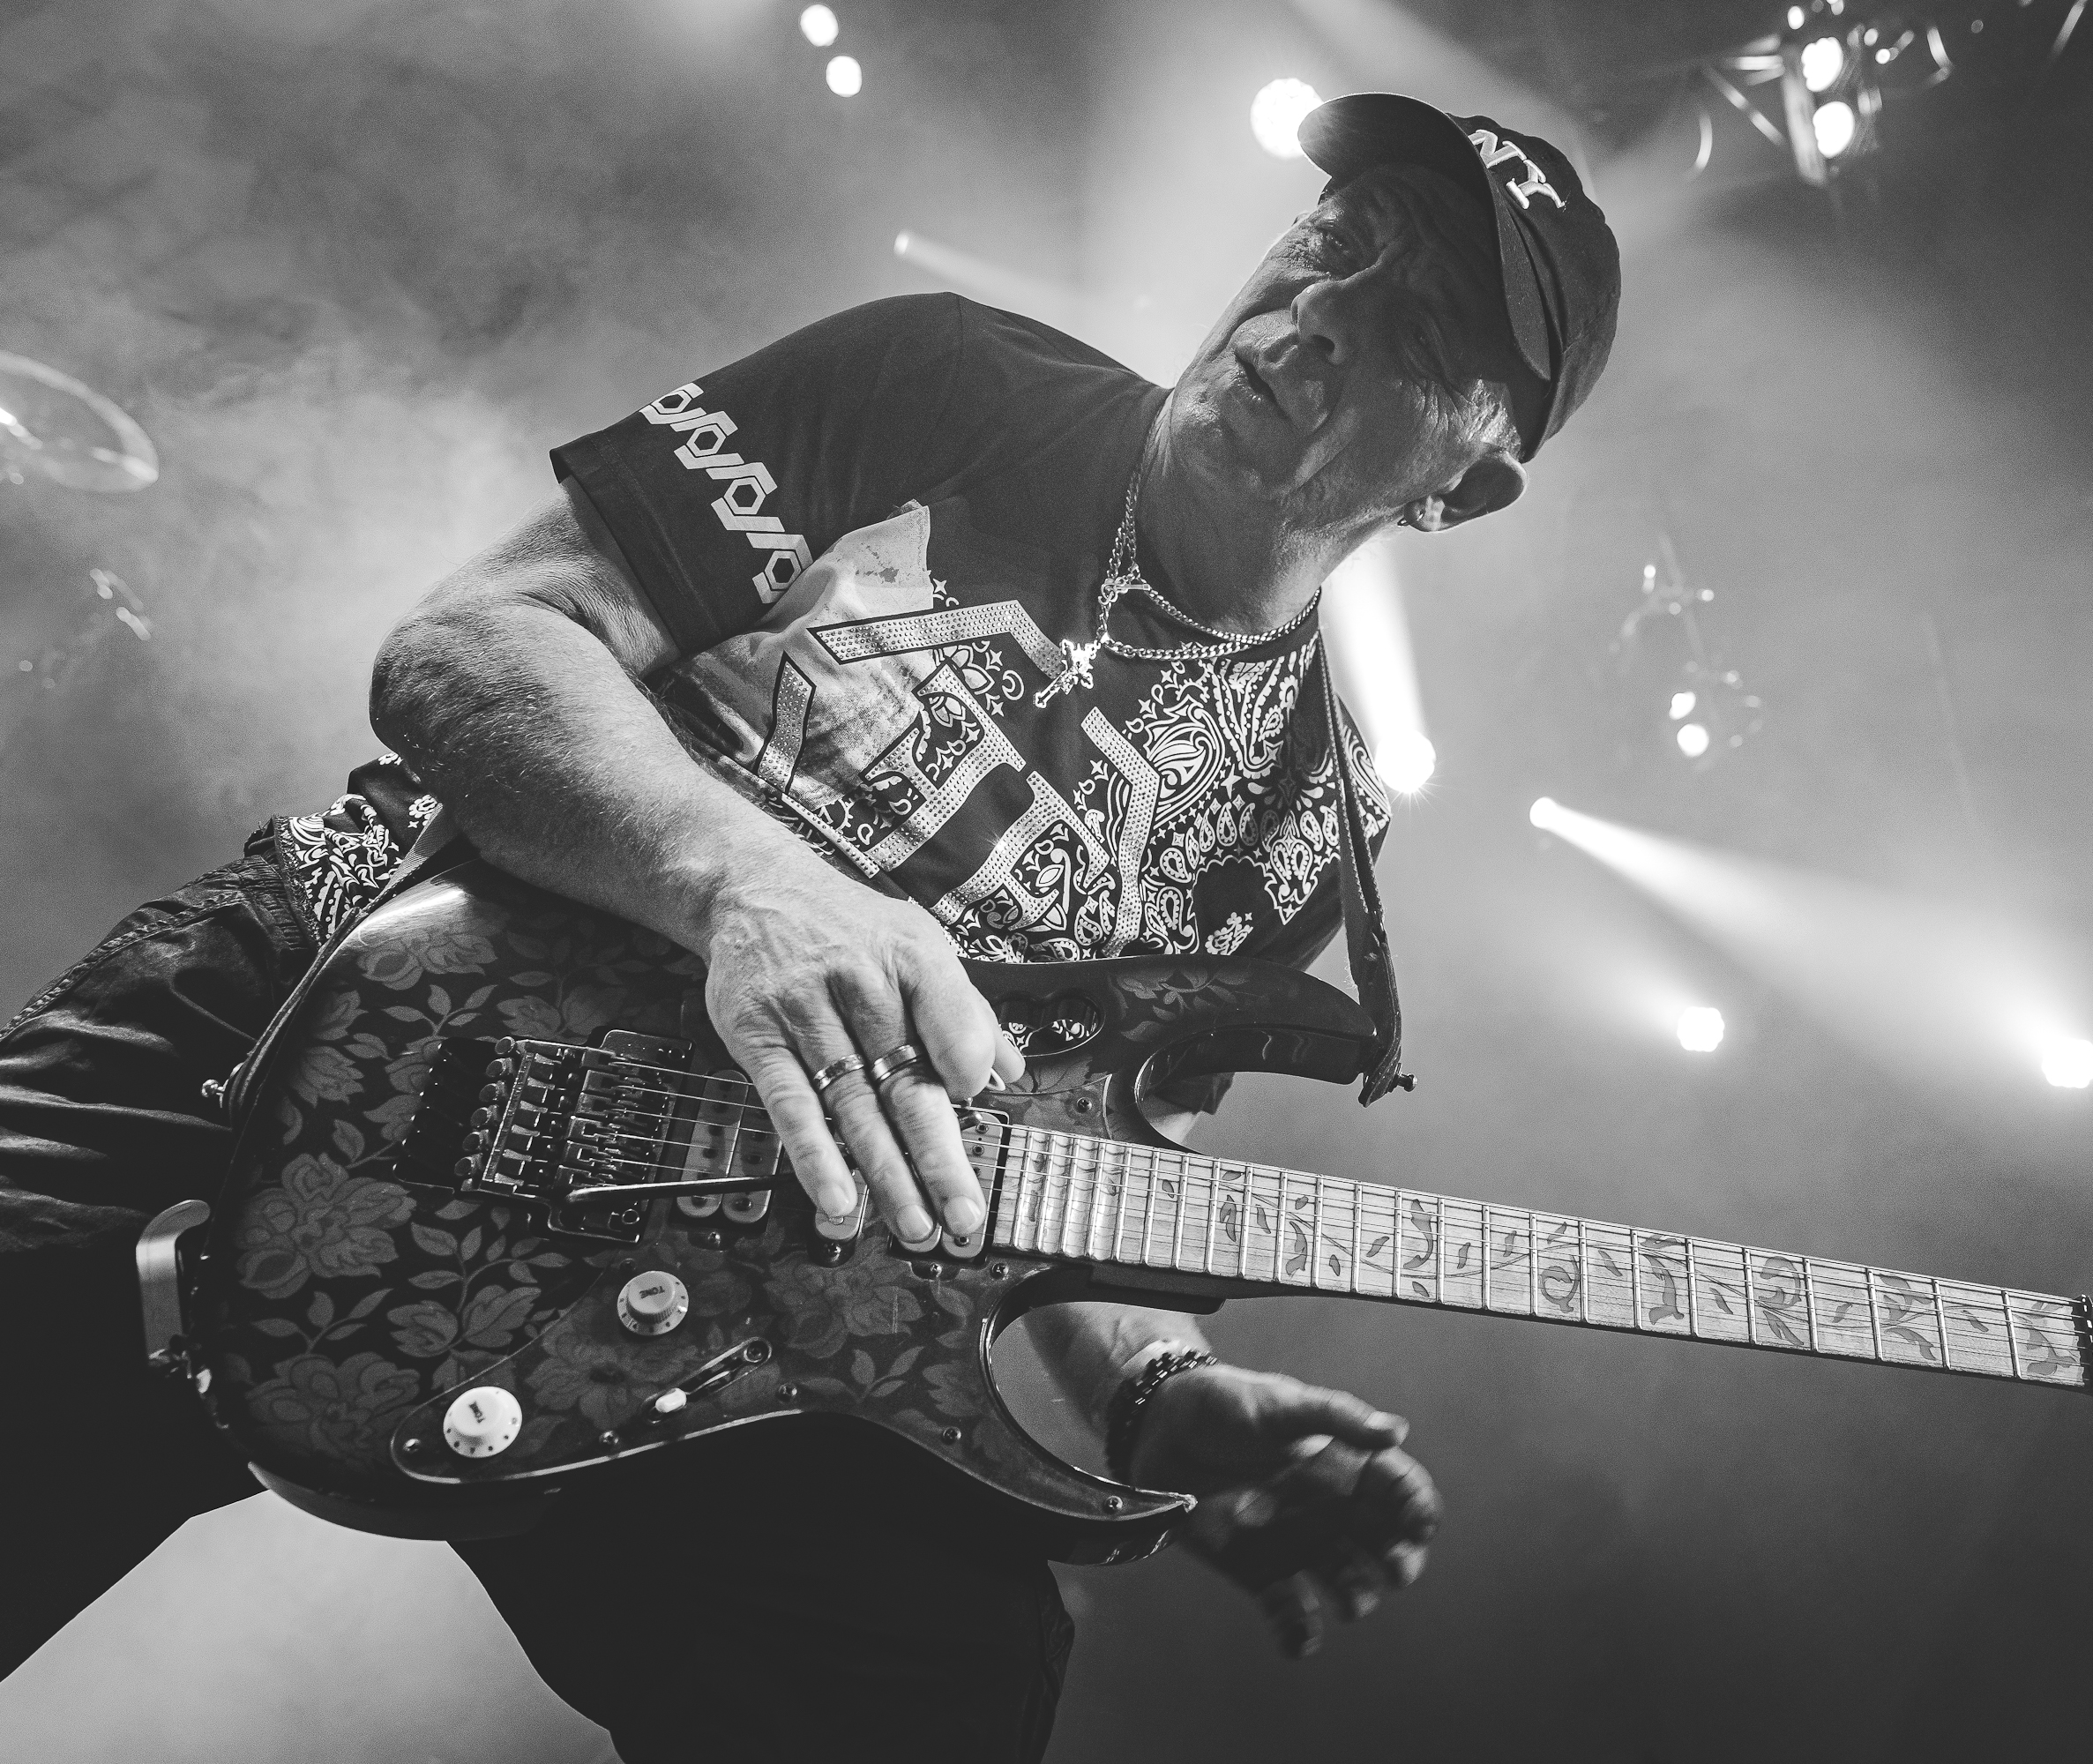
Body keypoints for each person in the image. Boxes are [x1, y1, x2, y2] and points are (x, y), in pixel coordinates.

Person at [0, 93, 1618, 1760]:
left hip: (717, 1300)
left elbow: (1048, 1168)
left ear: (1470, 483)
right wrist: (747, 884)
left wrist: (1158, 1393)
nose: (1323, 311)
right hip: (341, 1009)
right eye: (1332, 244)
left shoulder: (1304, 829)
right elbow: (471, 650)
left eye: (1417, 324)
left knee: (934, 1678)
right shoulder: (953, 386)